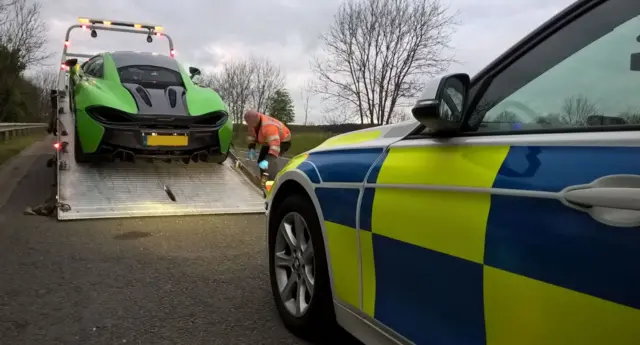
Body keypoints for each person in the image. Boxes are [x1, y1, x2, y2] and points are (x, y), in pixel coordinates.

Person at [243, 110, 292, 175]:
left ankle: (272, 180)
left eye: (252, 125)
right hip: (269, 141)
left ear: (256, 122)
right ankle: (263, 178)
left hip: (283, 140)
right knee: (261, 161)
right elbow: (252, 136)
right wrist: (252, 148)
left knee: (268, 163)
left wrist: (268, 159)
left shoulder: (269, 127)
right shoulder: (253, 123)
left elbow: (275, 147)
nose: (250, 126)